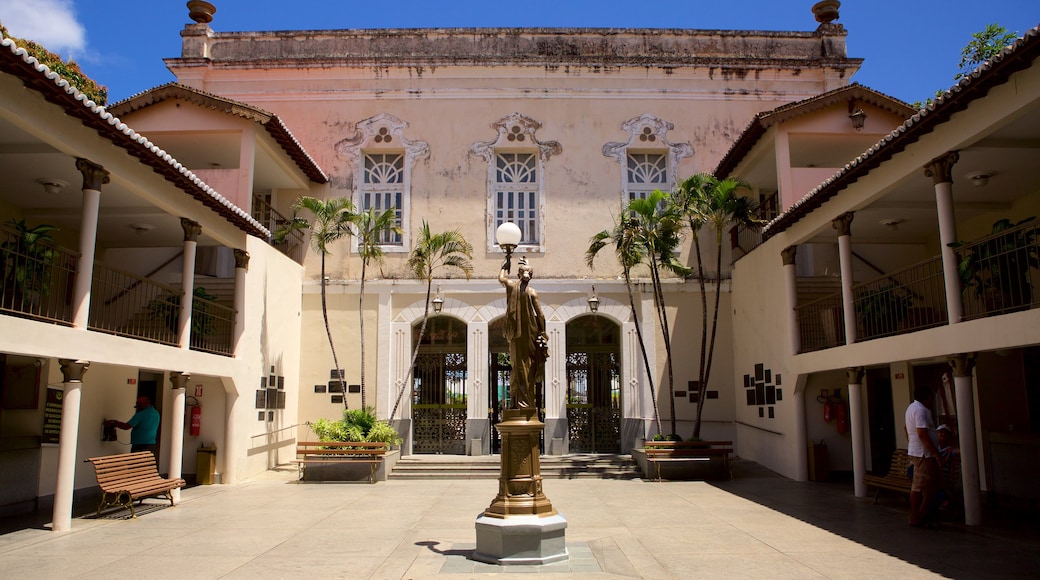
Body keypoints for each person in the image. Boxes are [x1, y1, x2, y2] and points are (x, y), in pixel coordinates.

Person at [499, 255, 549, 409]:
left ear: (519, 274)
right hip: (530, 337)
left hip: (516, 335)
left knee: (517, 367)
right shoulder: (532, 293)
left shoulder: (511, 286)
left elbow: (501, 278)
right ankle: (524, 402)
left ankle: (518, 402)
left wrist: (504, 265)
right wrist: (543, 332)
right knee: (527, 367)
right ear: (530, 276)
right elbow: (540, 315)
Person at [905, 384, 943, 527]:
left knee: (928, 487)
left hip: (919, 452)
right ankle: (915, 517)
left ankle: (922, 513)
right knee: (919, 487)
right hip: (923, 454)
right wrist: (936, 454)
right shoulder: (920, 410)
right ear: (927, 397)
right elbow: (922, 433)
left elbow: (908, 429)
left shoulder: (912, 408)